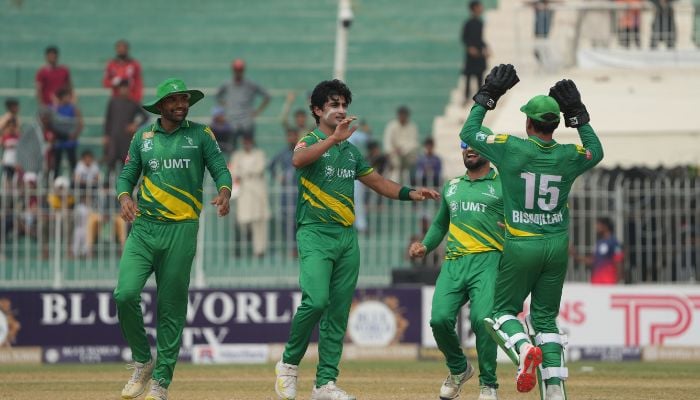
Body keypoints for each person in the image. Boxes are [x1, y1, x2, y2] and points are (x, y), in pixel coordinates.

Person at [274, 79, 440, 400]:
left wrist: (410, 193)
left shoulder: (350, 152)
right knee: (316, 300)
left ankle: (324, 384)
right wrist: (332, 139)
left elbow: (378, 182)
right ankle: (288, 365)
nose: (340, 110)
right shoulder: (309, 141)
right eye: (333, 105)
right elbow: (298, 161)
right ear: (317, 110)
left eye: (343, 105)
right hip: (315, 233)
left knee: (337, 312)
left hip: (346, 237)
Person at [460, 64, 603, 400]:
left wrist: (489, 95)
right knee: (546, 321)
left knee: (499, 314)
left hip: (521, 242)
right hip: (556, 245)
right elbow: (596, 150)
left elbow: (469, 132)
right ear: (555, 125)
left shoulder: (511, 147)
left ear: (528, 123)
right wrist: (578, 114)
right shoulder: (569, 156)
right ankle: (555, 391)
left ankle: (523, 350)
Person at [113, 77, 232, 400]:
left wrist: (224, 192)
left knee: (171, 309)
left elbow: (221, 169)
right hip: (145, 228)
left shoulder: (201, 134)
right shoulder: (143, 137)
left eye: (185, 101)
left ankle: (160, 383)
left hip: (182, 229)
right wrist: (125, 197)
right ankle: (142, 360)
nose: (181, 106)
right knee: (124, 294)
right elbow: (127, 175)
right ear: (162, 106)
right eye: (175, 101)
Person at [409, 136, 503, 400]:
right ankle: (459, 368)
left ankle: (489, 385)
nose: (469, 149)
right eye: (465, 145)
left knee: (483, 321)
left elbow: (520, 222)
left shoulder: (503, 185)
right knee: (439, 319)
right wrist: (425, 246)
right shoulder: (451, 186)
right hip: (454, 263)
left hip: (488, 260)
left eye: (475, 144)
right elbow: (440, 224)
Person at [216, 58, 271, 150]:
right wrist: (226, 107)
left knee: (251, 148)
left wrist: (258, 111)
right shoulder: (227, 84)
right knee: (231, 149)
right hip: (232, 122)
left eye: (240, 69)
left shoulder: (250, 84)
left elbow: (267, 96)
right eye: (236, 69)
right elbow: (217, 96)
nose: (238, 72)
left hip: (246, 122)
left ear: (243, 70)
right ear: (233, 70)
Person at [230, 136, 270, 258]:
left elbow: (260, 168)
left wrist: (243, 172)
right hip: (243, 193)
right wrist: (244, 173)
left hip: (257, 191)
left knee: (259, 221)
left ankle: (259, 251)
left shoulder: (259, 153)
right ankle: (242, 251)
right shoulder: (237, 155)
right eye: (244, 142)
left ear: (252, 142)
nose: (246, 144)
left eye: (249, 141)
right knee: (243, 222)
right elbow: (234, 172)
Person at [104, 79, 148, 177]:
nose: (123, 90)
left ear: (128, 89)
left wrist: (135, 125)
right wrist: (106, 135)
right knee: (110, 162)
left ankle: (124, 189)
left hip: (126, 139)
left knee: (125, 164)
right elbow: (108, 119)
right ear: (119, 89)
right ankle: (106, 187)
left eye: (125, 87)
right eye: (121, 88)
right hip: (114, 138)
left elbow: (145, 117)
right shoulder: (113, 102)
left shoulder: (133, 103)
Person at [577, 217, 624, 284]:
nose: (596, 227)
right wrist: (575, 255)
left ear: (605, 226)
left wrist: (618, 280)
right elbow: (593, 260)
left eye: (598, 225)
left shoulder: (614, 242)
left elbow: (619, 262)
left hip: (609, 282)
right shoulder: (599, 242)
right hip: (596, 282)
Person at [48, 88, 82, 177]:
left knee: (73, 162)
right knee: (56, 163)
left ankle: (75, 182)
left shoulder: (73, 108)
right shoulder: (55, 109)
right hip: (59, 139)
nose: (68, 98)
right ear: (61, 98)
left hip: (70, 139)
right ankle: (55, 181)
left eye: (69, 96)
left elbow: (80, 123)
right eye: (66, 96)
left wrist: (75, 135)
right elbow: (50, 122)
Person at [461, 1, 489, 104]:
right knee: (468, 77)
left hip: (479, 54)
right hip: (471, 55)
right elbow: (464, 38)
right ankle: (466, 97)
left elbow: (480, 39)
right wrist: (470, 48)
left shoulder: (480, 22)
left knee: (479, 76)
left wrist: (486, 48)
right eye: (479, 7)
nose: (481, 8)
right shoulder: (468, 23)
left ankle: (480, 97)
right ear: (474, 8)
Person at [383, 105, 419, 182]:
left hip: (408, 156)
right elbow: (387, 141)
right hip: (394, 155)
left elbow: (414, 143)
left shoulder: (412, 126)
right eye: (401, 114)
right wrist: (390, 151)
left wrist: (403, 150)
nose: (402, 117)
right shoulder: (391, 125)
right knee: (395, 172)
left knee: (405, 174)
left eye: (404, 115)